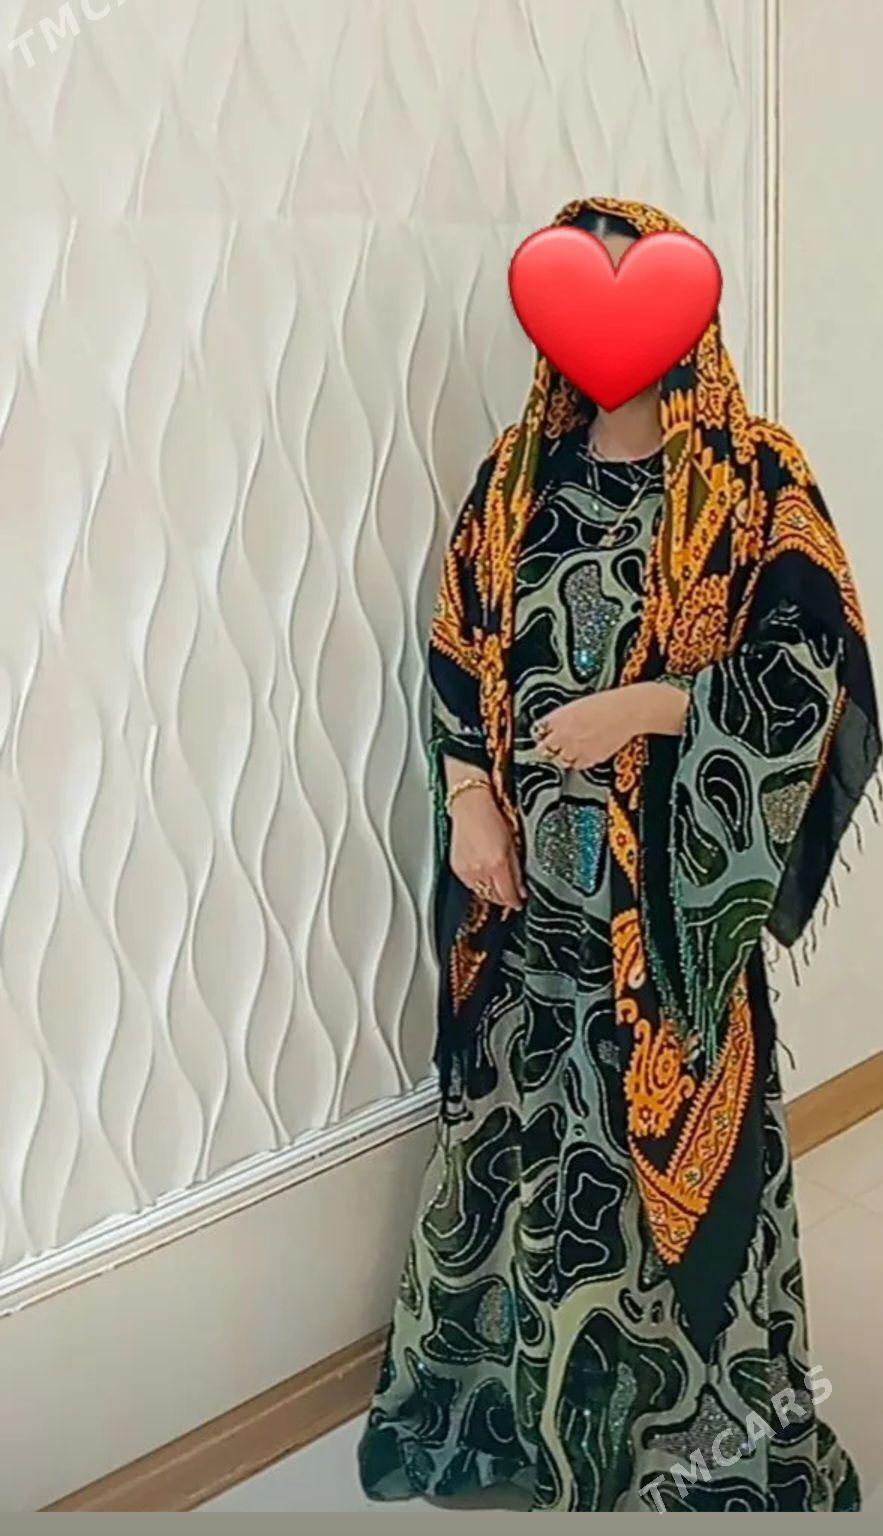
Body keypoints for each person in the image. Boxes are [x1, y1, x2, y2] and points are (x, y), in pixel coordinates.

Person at [356, 194, 881, 1512]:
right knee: (524, 1164)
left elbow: (812, 670)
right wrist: (469, 800)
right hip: (529, 908)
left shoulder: (755, 482)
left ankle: (697, 1443)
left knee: (685, 1165)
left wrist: (645, 709)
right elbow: (457, 646)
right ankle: (525, 1429)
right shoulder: (515, 475)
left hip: (671, 926)